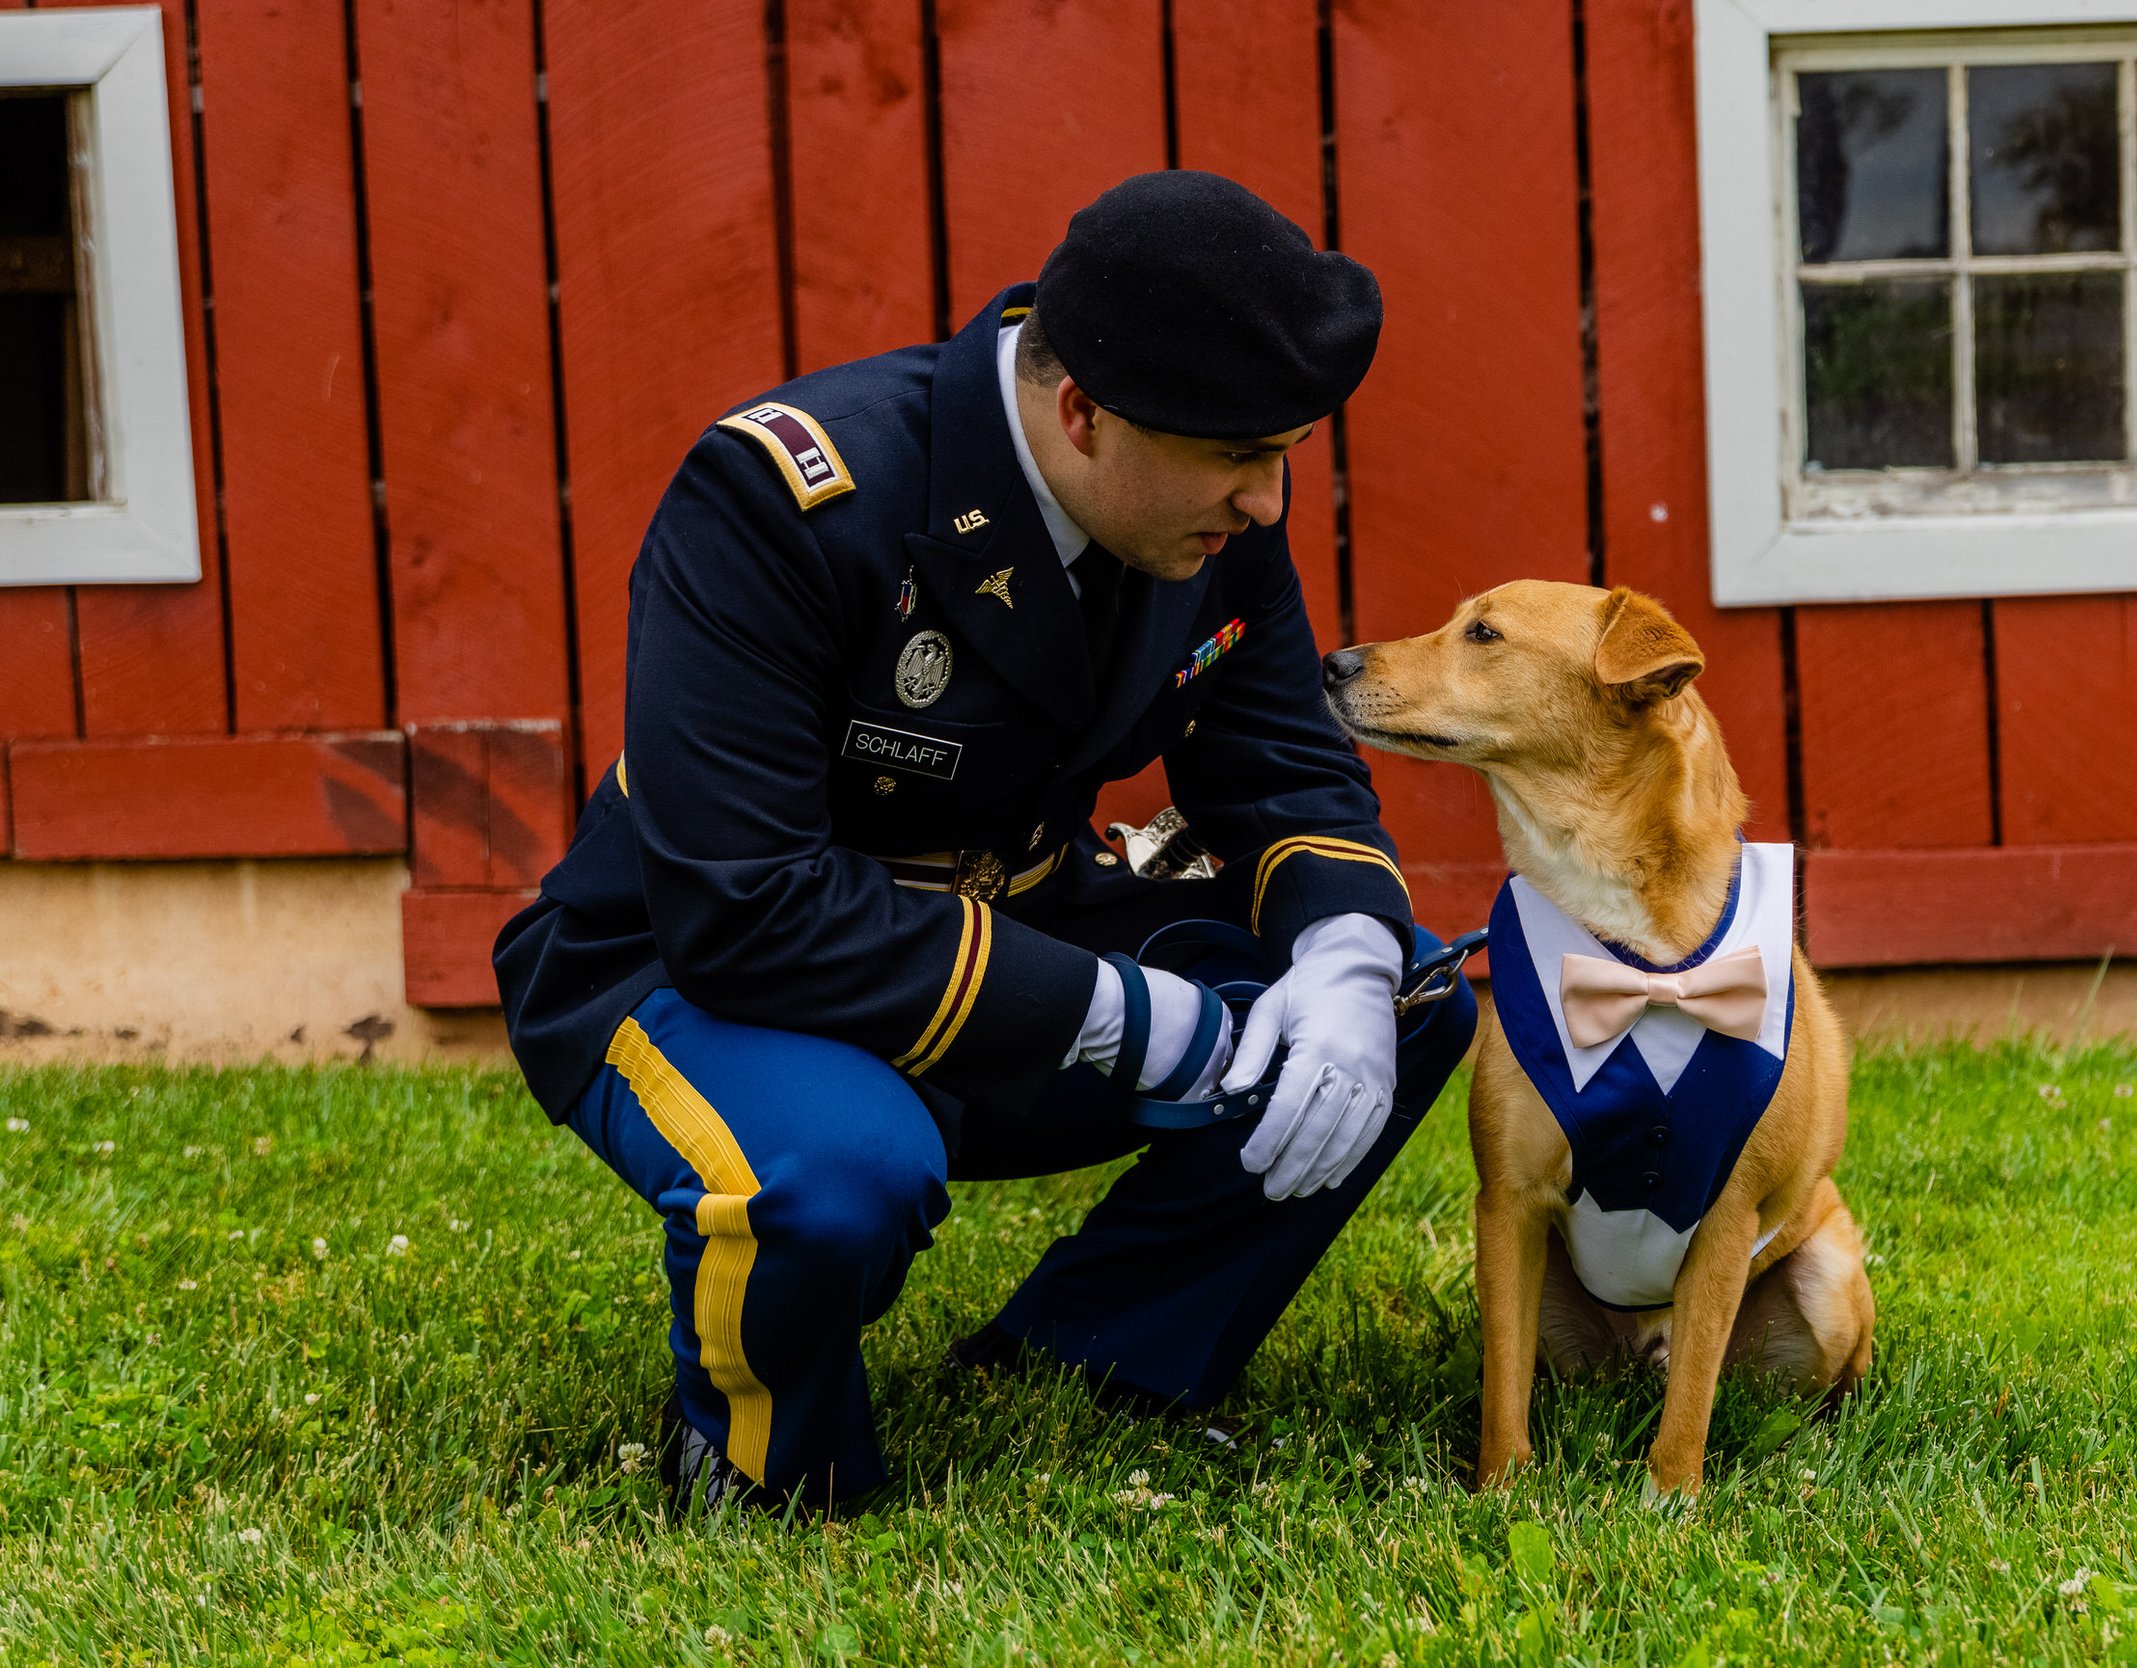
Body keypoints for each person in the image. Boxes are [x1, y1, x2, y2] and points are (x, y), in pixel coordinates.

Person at [492, 170, 1476, 1512]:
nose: (1267, 498)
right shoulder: (785, 496)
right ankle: (769, 1471)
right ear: (1080, 413)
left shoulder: (1196, 493)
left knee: (1403, 996)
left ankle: (1090, 1366)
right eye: (1244, 457)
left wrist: (1349, 956)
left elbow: (1280, 766)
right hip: (692, 966)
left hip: (1012, 938)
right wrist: (1145, 1022)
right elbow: (748, 908)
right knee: (837, 1176)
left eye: (1286, 451)